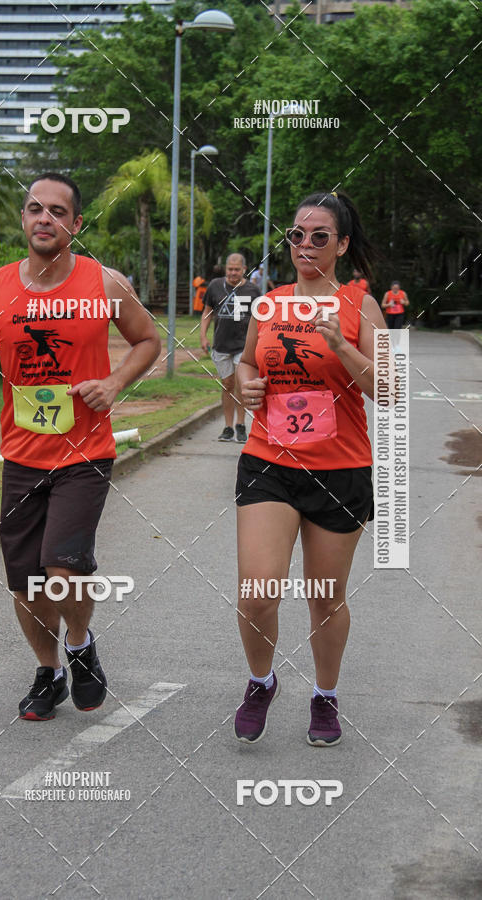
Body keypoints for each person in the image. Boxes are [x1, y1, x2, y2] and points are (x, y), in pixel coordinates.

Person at [0, 172, 161, 721]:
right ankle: (49, 670)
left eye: (56, 211)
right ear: (23, 219)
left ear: (75, 224)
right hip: (22, 457)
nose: (43, 218)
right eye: (34, 209)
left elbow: (149, 340)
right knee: (27, 585)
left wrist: (115, 383)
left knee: (64, 572)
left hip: (84, 454)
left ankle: (80, 643)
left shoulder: (105, 285)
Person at [233, 190, 386, 746]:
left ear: (342, 245)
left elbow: (388, 388)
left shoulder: (359, 306)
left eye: (320, 236)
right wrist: (246, 385)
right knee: (256, 591)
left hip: (339, 469)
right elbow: (249, 363)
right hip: (268, 462)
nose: (305, 244)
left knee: (324, 595)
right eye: (297, 234)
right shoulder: (268, 304)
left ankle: (325, 696)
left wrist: (342, 346)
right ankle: (260, 680)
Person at [200, 253, 261, 443]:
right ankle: (227, 427)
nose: (233, 273)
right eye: (230, 269)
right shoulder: (215, 286)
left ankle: (241, 424)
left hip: (243, 345)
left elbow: (260, 317)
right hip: (221, 344)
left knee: (240, 385)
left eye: (237, 269)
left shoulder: (253, 290)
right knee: (226, 385)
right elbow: (207, 311)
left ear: (244, 269)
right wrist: (203, 335)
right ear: (225, 269)